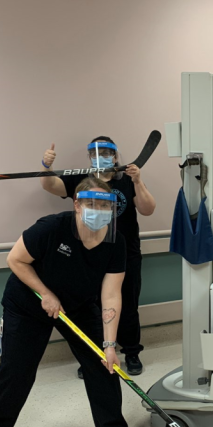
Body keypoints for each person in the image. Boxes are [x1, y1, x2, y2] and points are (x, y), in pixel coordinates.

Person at [0, 176, 134, 427]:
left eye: (104, 205)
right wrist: (46, 293)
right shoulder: (51, 227)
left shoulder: (116, 241)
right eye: (91, 204)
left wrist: (110, 346)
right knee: (17, 367)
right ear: (77, 204)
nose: (98, 210)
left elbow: (111, 296)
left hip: (77, 306)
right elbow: (15, 260)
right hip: (29, 302)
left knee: (103, 364)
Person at [39, 137, 155, 376]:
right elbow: (51, 186)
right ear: (90, 157)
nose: (101, 156)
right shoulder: (82, 181)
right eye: (96, 152)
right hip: (88, 256)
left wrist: (138, 181)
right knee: (89, 309)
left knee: (128, 305)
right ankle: (92, 355)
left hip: (126, 254)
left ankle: (131, 352)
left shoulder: (126, 180)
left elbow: (148, 209)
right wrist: (46, 166)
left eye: (107, 152)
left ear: (115, 156)